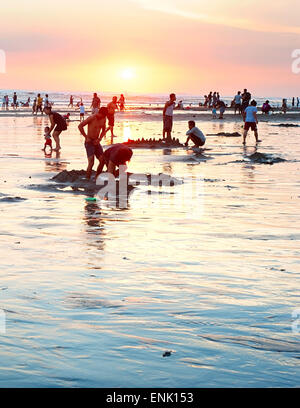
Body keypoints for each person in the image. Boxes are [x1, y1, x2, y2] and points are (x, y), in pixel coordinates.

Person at [78, 107, 108, 179]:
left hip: (96, 142)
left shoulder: (104, 119)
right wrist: (86, 137)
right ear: (100, 113)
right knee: (91, 162)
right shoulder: (92, 118)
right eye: (103, 115)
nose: (104, 117)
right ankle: (87, 178)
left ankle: (97, 176)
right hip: (89, 142)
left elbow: (104, 130)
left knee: (102, 160)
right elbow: (80, 126)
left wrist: (99, 139)